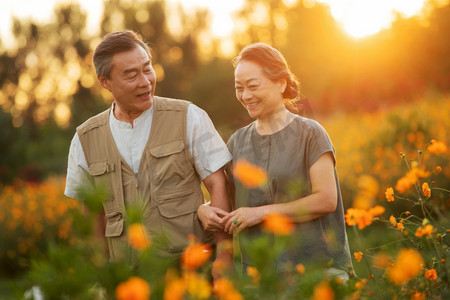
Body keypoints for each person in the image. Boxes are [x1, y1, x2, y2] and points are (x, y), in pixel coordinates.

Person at [64, 31, 232, 276]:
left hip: (192, 268)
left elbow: (218, 184)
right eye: (131, 75)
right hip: (128, 278)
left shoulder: (189, 116)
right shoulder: (84, 139)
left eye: (147, 69)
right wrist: (100, 274)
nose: (145, 81)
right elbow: (92, 213)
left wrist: (224, 257)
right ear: (104, 81)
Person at [198, 43, 353, 278]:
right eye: (239, 88)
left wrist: (260, 213)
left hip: (316, 271)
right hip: (263, 276)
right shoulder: (237, 142)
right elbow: (230, 200)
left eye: (253, 86)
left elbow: (326, 200)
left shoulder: (310, 133)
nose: (245, 95)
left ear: (281, 83)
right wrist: (204, 210)